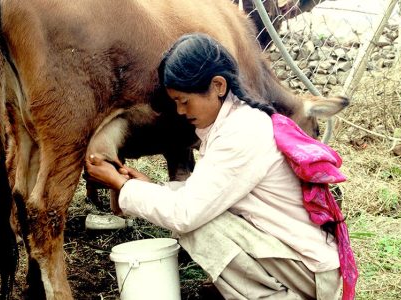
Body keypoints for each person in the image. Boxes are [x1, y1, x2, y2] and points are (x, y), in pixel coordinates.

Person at [86, 33, 357, 300]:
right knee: (198, 214)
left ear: (217, 85)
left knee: (198, 226)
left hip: (311, 274)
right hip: (298, 259)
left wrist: (124, 186)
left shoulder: (242, 133)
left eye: (184, 100)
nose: (180, 111)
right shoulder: (233, 124)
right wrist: (151, 187)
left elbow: (187, 213)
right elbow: (207, 191)